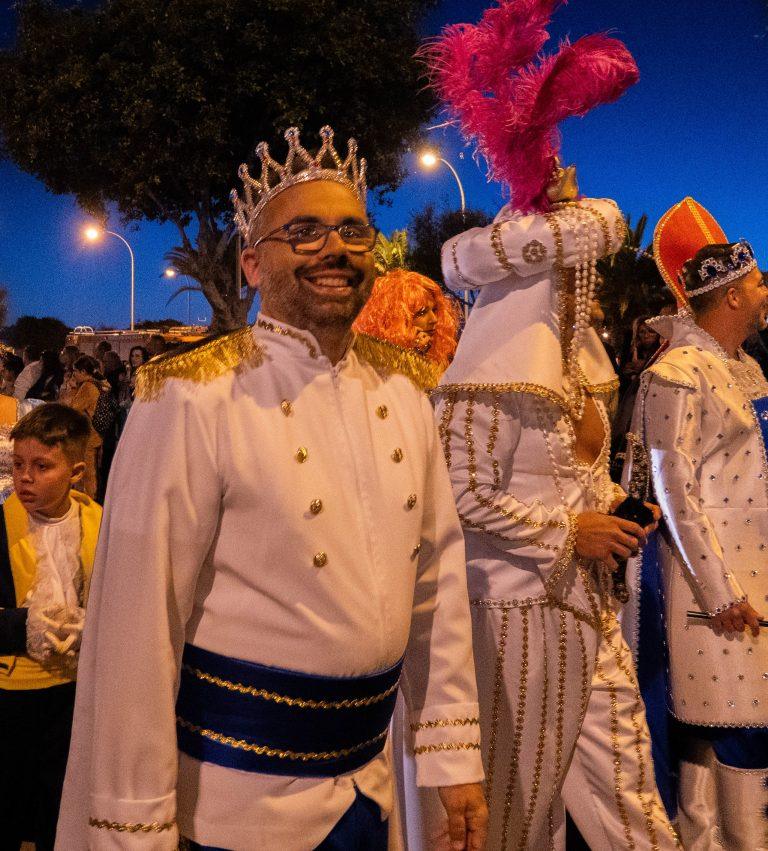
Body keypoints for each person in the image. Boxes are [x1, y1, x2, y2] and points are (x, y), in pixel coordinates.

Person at [56, 126, 487, 851]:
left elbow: (435, 586)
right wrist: (135, 825)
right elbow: (139, 627)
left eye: (353, 230)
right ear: (254, 264)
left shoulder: (407, 390)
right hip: (230, 810)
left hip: (366, 789)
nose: (335, 249)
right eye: (305, 232)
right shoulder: (192, 397)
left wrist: (453, 759)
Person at [422, 3, 677, 848]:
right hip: (508, 623)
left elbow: (585, 488)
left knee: (632, 802)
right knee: (511, 814)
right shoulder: (479, 390)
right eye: (571, 280)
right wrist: (570, 529)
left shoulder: (582, 381)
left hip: (591, 612)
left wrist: (608, 513)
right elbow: (458, 496)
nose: (584, 296)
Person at [626, 197, 768, 850]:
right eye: (759, 280)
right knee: (722, 734)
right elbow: (673, 489)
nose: (767, 289)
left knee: (732, 741)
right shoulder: (676, 374)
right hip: (711, 594)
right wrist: (721, 591)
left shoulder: (746, 369)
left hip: (754, 582)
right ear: (734, 295)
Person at [0, 404, 102, 851]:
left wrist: (94, 628)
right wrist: (22, 627)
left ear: (75, 471)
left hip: (74, 692)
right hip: (9, 694)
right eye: (18, 465)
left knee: (58, 807)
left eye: (42, 466)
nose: (25, 478)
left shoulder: (103, 525)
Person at [353, 268, 461, 372]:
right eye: (421, 313)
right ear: (394, 318)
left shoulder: (439, 358)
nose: (434, 319)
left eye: (434, 310)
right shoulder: (369, 366)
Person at [67, 356, 109, 499]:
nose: (74, 375)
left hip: (88, 436)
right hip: (95, 435)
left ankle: (89, 502)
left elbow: (73, 408)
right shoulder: (98, 384)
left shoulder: (87, 387)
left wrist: (72, 389)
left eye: (75, 372)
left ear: (83, 371)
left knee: (87, 472)